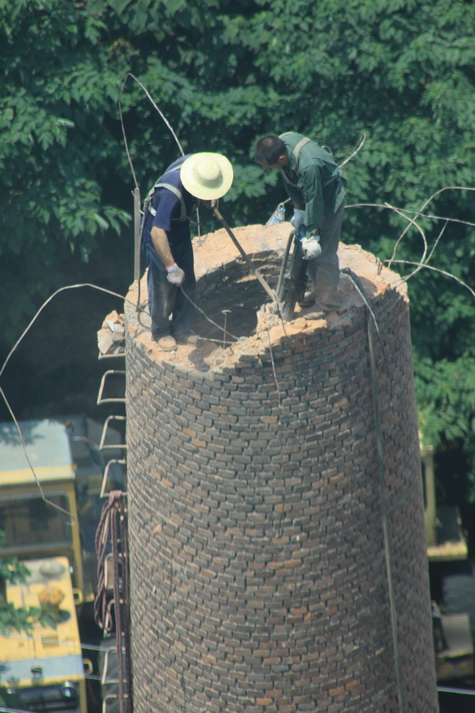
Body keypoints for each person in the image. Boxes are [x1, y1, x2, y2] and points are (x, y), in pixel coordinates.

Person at [141, 152, 233, 350]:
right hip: (160, 239)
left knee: (188, 281)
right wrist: (171, 266)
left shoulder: (201, 166)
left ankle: (182, 329)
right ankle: (161, 331)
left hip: (180, 231)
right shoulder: (170, 194)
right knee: (163, 287)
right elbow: (158, 233)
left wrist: (209, 198)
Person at [254, 132, 346, 315]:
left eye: (270, 166)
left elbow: (315, 201)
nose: (270, 169)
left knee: (323, 252)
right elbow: (290, 181)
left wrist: (312, 235)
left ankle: (327, 304)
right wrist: (298, 211)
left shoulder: (309, 166)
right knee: (307, 251)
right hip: (311, 196)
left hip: (328, 198)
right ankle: (318, 291)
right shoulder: (282, 143)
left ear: (281, 157)